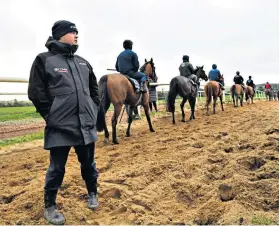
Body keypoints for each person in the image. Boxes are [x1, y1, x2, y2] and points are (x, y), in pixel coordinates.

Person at [28, 20, 100, 225]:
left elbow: (94, 90)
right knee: (57, 168)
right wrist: (51, 115)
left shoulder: (83, 62)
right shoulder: (44, 60)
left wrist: (92, 110)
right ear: (60, 34)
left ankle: (92, 193)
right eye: (72, 32)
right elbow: (36, 91)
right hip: (60, 126)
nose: (76, 35)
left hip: (85, 125)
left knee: (88, 164)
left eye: (77, 32)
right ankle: (50, 206)